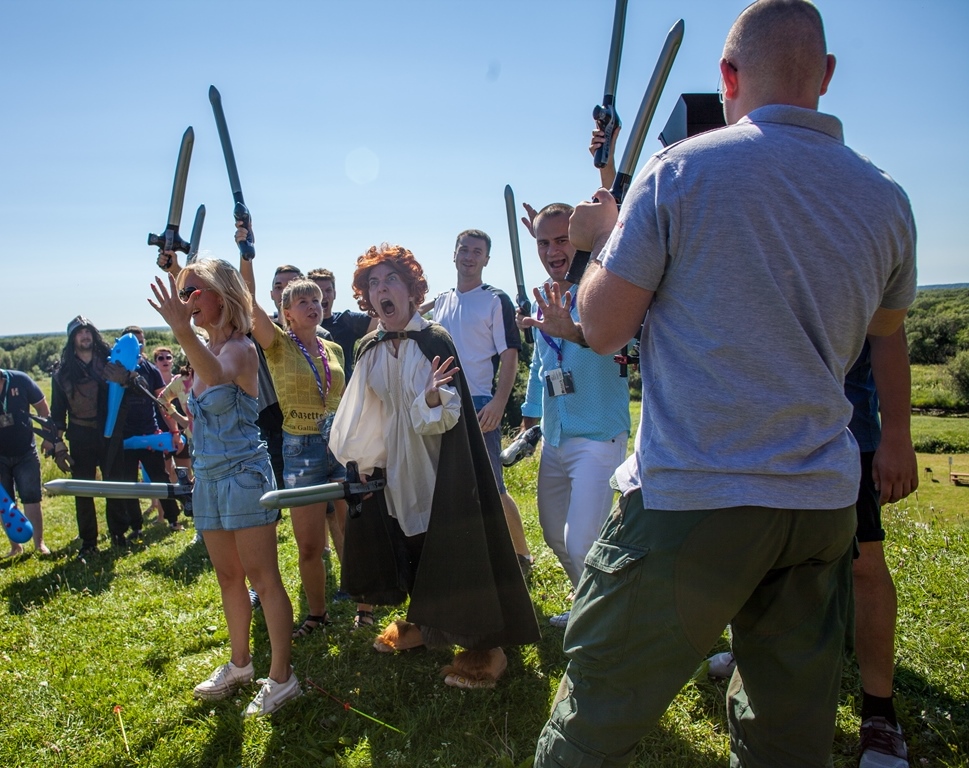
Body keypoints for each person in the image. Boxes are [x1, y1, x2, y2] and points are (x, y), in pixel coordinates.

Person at [533, 2, 917, 766]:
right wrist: (898, 436)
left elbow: (601, 328)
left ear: (727, 77)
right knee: (785, 737)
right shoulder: (884, 197)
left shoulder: (680, 170)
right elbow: (885, 333)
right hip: (819, 503)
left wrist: (594, 244)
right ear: (825, 75)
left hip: (694, 494)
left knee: (590, 724)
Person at [329, 243, 540, 689]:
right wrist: (363, 460)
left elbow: (448, 415)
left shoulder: (434, 340)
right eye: (373, 283)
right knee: (411, 540)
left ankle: (486, 646)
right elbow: (364, 411)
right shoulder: (370, 347)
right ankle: (427, 623)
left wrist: (428, 399)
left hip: (441, 462)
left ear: (411, 289)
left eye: (391, 279)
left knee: (452, 543)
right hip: (396, 465)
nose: (381, 289)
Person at [149, 258, 300, 717]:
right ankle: (240, 665)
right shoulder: (206, 348)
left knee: (263, 579)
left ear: (221, 293)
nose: (186, 301)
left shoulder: (241, 348)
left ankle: (282, 678)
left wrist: (180, 330)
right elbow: (205, 397)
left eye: (193, 291)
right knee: (228, 577)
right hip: (210, 479)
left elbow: (216, 375)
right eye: (183, 293)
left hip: (244, 477)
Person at [518, 204, 630, 626]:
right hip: (556, 437)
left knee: (581, 542)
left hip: (599, 435)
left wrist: (574, 332)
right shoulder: (545, 297)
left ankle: (609, 624)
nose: (552, 250)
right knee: (554, 535)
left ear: (580, 240)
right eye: (543, 242)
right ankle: (588, 607)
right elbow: (540, 364)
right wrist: (530, 418)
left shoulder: (602, 290)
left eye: (562, 239)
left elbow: (625, 347)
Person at [427, 230, 534, 574]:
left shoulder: (494, 299)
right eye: (464, 250)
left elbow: (510, 355)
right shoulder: (441, 301)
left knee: (493, 487)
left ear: (487, 259)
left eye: (477, 252)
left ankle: (522, 557)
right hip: (444, 403)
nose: (469, 257)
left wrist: (499, 403)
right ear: (454, 254)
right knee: (450, 489)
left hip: (480, 405)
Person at [847, 329, 918, 767]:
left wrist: (897, 435)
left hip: (850, 433)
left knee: (864, 564)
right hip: (763, 434)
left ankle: (879, 715)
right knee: (763, 553)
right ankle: (751, 660)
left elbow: (888, 336)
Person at [50, 316, 131, 559]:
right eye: (79, 332)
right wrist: (58, 445)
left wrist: (126, 378)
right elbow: (57, 414)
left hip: (109, 432)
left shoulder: (110, 362)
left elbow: (140, 387)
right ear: (72, 339)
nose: (84, 336)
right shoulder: (62, 373)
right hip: (80, 434)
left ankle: (118, 533)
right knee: (83, 489)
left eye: (87, 331)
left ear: (93, 335)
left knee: (115, 484)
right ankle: (88, 542)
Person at [115, 326, 183, 536]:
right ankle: (136, 526)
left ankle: (173, 519)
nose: (139, 345)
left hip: (149, 433)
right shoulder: (114, 368)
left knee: (160, 478)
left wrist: (174, 431)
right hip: (124, 436)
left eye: (141, 341)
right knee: (128, 483)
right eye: (134, 342)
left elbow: (163, 403)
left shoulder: (150, 370)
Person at [0, 369, 51, 556]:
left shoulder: (20, 380)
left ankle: (39, 544)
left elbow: (42, 407)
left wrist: (48, 436)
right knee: (4, 502)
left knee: (32, 497)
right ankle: (15, 547)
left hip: (25, 452)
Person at [308, 268, 377, 381]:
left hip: (345, 390)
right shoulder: (301, 325)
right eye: (319, 291)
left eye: (328, 290)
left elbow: (383, 324)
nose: (324, 295)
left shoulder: (347, 320)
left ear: (334, 294)